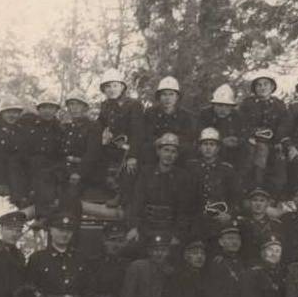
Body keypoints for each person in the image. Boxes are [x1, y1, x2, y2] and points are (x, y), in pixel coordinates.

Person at [126, 132, 199, 243]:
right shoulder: (146, 173)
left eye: (173, 152)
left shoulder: (183, 177)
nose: (169, 155)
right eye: (166, 150)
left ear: (177, 155)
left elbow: (184, 210)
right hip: (146, 227)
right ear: (158, 152)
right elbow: (137, 202)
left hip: (170, 229)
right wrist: (134, 227)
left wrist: (177, 235)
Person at [96, 69, 145, 201]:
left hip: (129, 149)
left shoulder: (133, 105)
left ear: (122, 87)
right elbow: (98, 127)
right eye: (107, 86)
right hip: (112, 148)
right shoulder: (105, 106)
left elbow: (138, 133)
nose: (111, 89)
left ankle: (123, 199)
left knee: (130, 172)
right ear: (103, 89)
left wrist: (133, 156)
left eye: (115, 85)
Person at [238, 71, 290, 195]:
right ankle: (256, 187)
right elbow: (241, 123)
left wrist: (278, 140)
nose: (262, 88)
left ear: (272, 87)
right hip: (252, 141)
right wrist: (251, 134)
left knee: (280, 160)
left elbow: (284, 125)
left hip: (273, 141)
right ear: (255, 88)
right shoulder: (248, 103)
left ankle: (277, 193)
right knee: (257, 154)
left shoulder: (279, 105)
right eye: (259, 85)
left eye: (266, 84)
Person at [188, 127, 242, 241]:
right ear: (199, 147)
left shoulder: (227, 170)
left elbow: (236, 198)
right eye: (205, 144)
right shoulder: (191, 168)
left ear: (217, 148)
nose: (208, 148)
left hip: (220, 220)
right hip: (196, 221)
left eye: (212, 144)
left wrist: (229, 214)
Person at [121, 232, 174, 297]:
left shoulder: (170, 271)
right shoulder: (137, 267)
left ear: (168, 252)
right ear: (149, 251)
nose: (159, 254)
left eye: (163, 250)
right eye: (155, 250)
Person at [20, 93, 65, 217]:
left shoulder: (60, 129)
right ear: (38, 109)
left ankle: (44, 217)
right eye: (44, 107)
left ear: (56, 110)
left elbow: (61, 154)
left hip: (50, 170)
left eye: (51, 108)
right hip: (29, 166)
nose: (47, 111)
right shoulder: (28, 123)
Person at [0, 96, 29, 209]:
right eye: (8, 112)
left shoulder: (21, 130)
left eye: (16, 112)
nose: (12, 115)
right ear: (2, 113)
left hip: (14, 184)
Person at [60, 89, 101, 212]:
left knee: (70, 198)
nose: (75, 108)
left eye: (78, 104)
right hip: (66, 169)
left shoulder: (93, 126)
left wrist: (79, 173)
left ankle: (70, 228)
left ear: (85, 107)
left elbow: (92, 154)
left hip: (85, 172)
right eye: (71, 104)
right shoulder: (66, 127)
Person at [142, 76, 197, 165]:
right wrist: (158, 141)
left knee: (189, 151)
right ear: (159, 96)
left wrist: (174, 141)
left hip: (177, 151)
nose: (167, 98)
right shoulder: (150, 113)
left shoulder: (185, 115)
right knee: (146, 148)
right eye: (164, 94)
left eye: (171, 94)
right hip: (156, 150)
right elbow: (146, 134)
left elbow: (189, 137)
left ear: (177, 97)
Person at [204, 221, 246, 297]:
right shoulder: (216, 263)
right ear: (221, 242)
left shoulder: (241, 262)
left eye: (237, 239)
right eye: (230, 238)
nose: (234, 242)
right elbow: (214, 296)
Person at [199, 84, 246, 169]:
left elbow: (244, 135)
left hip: (231, 153)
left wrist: (238, 140)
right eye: (219, 105)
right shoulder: (205, 115)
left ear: (232, 107)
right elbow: (198, 134)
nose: (223, 109)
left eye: (227, 106)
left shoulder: (238, 117)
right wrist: (220, 140)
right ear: (213, 105)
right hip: (207, 151)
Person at [238, 187, 283, 265]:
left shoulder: (276, 225)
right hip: (247, 265)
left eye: (262, 200)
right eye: (255, 200)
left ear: (267, 204)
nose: (258, 204)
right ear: (249, 203)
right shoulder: (242, 224)